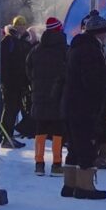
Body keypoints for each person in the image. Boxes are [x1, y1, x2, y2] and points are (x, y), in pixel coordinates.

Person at [59, 12, 106, 200]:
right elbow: (92, 81)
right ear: (98, 33)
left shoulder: (76, 47)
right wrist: (100, 99)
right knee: (86, 146)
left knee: (74, 146)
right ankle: (85, 187)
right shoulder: (91, 50)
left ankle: (69, 185)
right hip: (83, 105)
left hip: (69, 103)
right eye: (105, 32)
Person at [26, 16, 69, 176]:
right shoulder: (65, 50)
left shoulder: (36, 50)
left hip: (39, 94)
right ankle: (56, 164)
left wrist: (36, 83)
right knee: (58, 130)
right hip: (59, 95)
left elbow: (28, 69)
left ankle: (39, 163)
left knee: (40, 129)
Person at [0, 17, 32, 146]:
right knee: (10, 109)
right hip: (10, 83)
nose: (21, 27)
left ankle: (6, 135)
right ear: (14, 26)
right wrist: (5, 79)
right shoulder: (9, 40)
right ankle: (6, 136)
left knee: (14, 109)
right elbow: (3, 61)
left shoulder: (24, 41)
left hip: (20, 82)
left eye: (23, 25)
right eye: (18, 25)